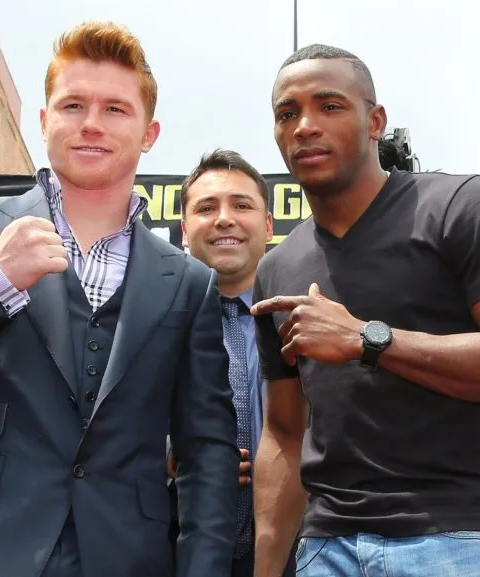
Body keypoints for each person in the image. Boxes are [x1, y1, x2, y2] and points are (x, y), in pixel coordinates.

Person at [0, 20, 240, 577]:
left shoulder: (188, 281)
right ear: (43, 121)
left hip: (126, 557)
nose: (91, 124)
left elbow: (207, 453)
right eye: (72, 105)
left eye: (115, 109)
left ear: (149, 133)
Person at [249, 43, 480, 577]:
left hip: (454, 541)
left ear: (375, 121)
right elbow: (284, 432)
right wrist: (267, 564)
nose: (304, 125)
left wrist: (369, 340)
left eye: (329, 105)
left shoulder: (456, 207)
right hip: (327, 550)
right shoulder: (277, 270)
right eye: (287, 113)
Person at [173, 149, 295, 577]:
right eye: (207, 208)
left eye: (241, 205)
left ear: (267, 226)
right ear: (185, 231)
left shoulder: (305, 321)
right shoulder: (150, 324)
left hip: (297, 554)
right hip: (173, 548)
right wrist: (169, 455)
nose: (224, 218)